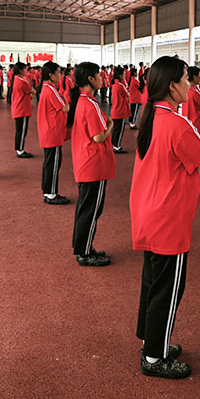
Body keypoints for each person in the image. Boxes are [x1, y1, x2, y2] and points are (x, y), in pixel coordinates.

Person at [130, 56, 200, 379]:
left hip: (150, 212)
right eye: (185, 79)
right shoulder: (177, 124)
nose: (189, 85)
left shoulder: (153, 118)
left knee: (154, 283)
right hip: (168, 218)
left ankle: (154, 341)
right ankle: (154, 357)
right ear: (172, 86)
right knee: (169, 288)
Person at [68, 62, 115, 267]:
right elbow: (99, 136)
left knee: (86, 209)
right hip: (93, 164)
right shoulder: (90, 103)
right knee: (91, 210)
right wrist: (111, 124)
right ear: (90, 79)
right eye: (98, 75)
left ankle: (83, 247)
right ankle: (85, 252)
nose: (102, 78)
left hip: (86, 162)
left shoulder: (83, 100)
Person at [38, 62, 71, 205]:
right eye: (58, 72)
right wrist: (65, 99)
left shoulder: (48, 89)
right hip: (52, 132)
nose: (60, 75)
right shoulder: (50, 90)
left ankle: (47, 190)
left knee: (50, 163)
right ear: (50, 75)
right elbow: (65, 108)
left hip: (49, 131)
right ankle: (51, 194)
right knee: (53, 164)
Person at [10, 62, 35, 158]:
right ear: (21, 70)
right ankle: (20, 150)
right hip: (22, 109)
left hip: (18, 108)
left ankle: (19, 148)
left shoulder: (16, 79)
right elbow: (32, 91)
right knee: (22, 131)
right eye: (25, 69)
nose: (26, 71)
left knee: (20, 130)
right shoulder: (22, 81)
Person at [110, 66, 130, 153]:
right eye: (124, 74)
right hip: (120, 110)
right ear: (120, 75)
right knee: (119, 130)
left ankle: (113, 145)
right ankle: (116, 146)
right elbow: (128, 94)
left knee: (115, 129)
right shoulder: (120, 86)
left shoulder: (114, 85)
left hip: (115, 110)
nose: (125, 75)